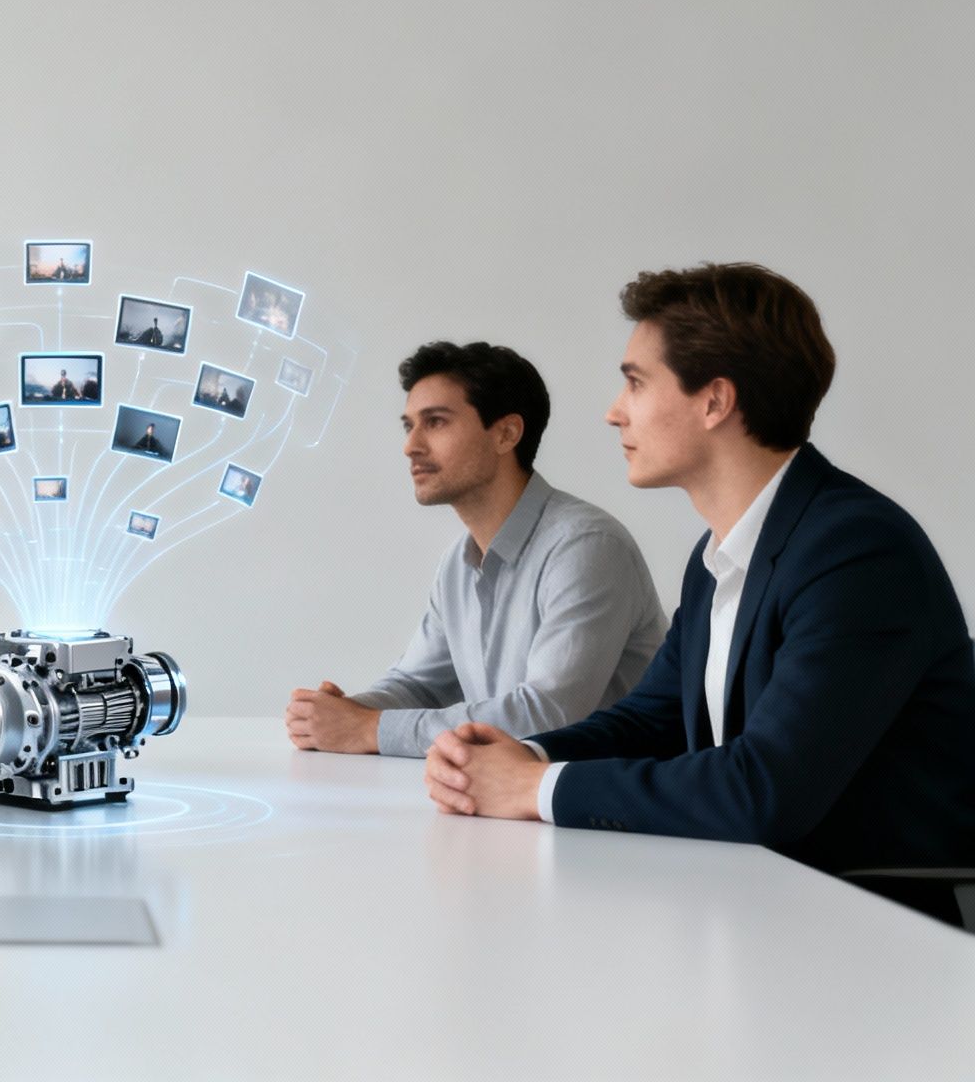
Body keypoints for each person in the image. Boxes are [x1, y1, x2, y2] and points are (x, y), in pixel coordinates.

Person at [424, 264, 975, 888]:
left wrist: (535, 788)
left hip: (873, 920)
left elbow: (764, 787)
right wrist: (529, 752)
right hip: (759, 896)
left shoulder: (856, 552)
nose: (613, 412)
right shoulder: (717, 555)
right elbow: (652, 719)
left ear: (714, 400)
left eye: (635, 383)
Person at [287, 341, 665, 758]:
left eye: (435, 422)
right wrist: (343, 712)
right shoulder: (458, 564)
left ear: (506, 434)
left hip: (601, 812)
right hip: (508, 804)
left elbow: (550, 714)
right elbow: (419, 685)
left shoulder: (587, 547)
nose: (410, 445)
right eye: (408, 425)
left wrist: (370, 729)